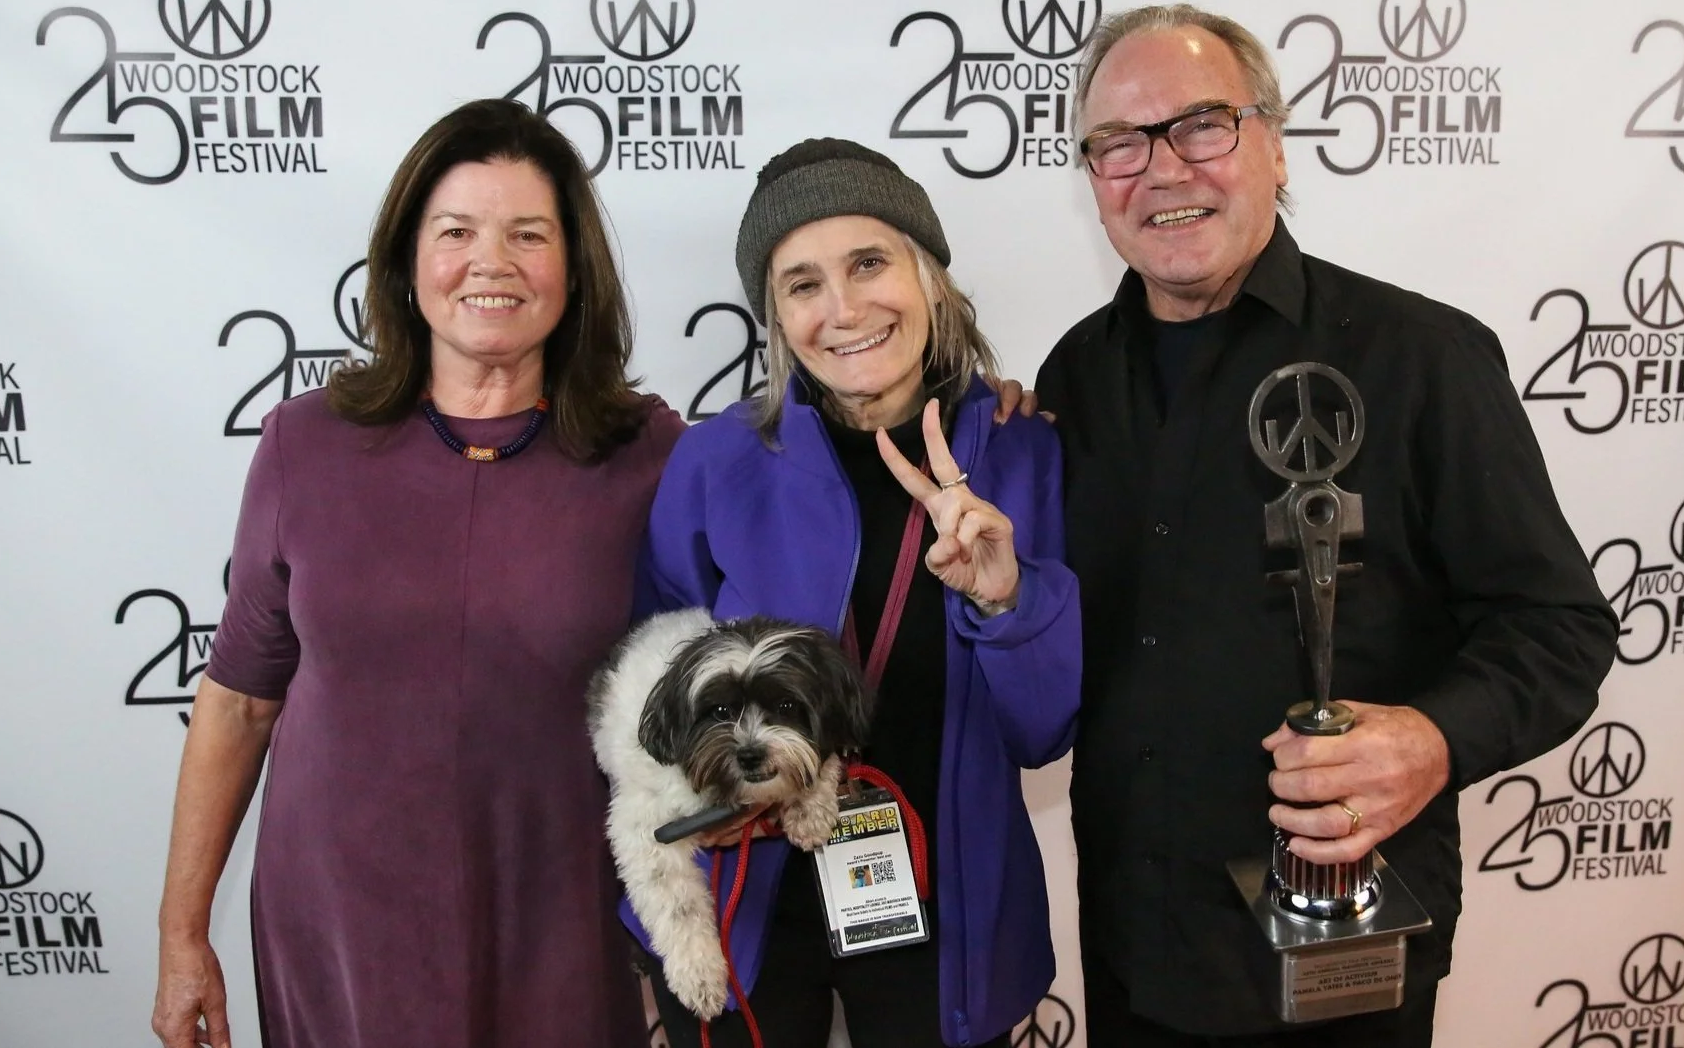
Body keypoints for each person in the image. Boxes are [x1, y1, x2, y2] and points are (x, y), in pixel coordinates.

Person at [1034, 6, 1619, 1047]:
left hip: (1342, 953)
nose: (1161, 170)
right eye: (1118, 143)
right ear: (1090, 177)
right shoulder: (1072, 376)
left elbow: (1557, 627)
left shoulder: (1419, 358)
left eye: (1199, 125)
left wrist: (1431, 738)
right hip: (1135, 946)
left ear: (1271, 142)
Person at [151, 99, 683, 1048]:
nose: (492, 261)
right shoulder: (302, 445)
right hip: (342, 930)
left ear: (574, 268)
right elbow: (238, 700)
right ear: (405, 261)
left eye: (529, 233)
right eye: (456, 232)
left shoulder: (648, 452)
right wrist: (182, 934)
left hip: (561, 921)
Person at [638, 138, 1081, 1048]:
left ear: (930, 279)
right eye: (802, 283)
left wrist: (1006, 600)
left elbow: (1044, 732)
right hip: (746, 910)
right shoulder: (715, 462)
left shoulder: (1020, 451)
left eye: (869, 263)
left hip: (945, 917)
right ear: (775, 312)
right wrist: (686, 801)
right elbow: (645, 684)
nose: (842, 309)